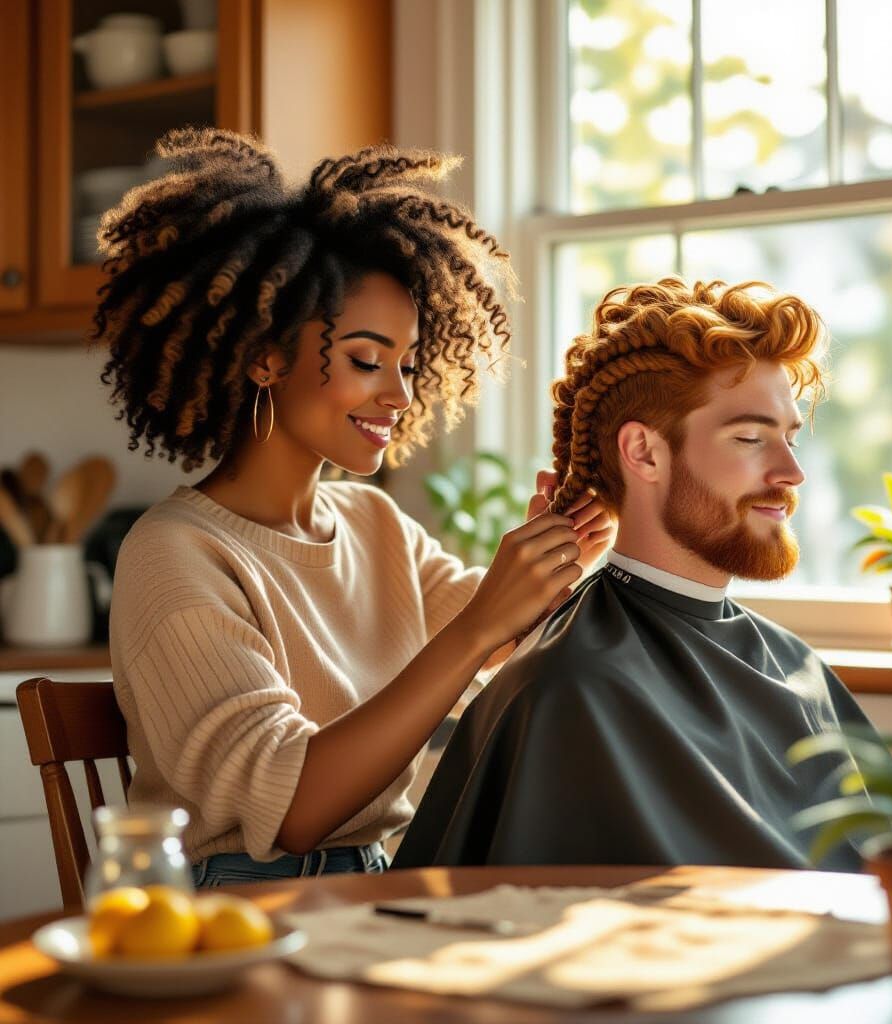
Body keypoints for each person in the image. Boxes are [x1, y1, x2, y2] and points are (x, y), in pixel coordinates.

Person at [96, 128, 614, 887]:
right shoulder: (175, 554)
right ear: (263, 356)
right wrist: (481, 624)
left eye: (407, 364)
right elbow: (296, 807)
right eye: (367, 360)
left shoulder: (374, 526)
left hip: (371, 886)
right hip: (238, 911)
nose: (400, 394)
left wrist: (564, 544)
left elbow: (499, 641)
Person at [394, 277, 891, 873]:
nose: (792, 472)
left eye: (788, 438)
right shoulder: (571, 683)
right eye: (751, 438)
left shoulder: (794, 665)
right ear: (645, 453)